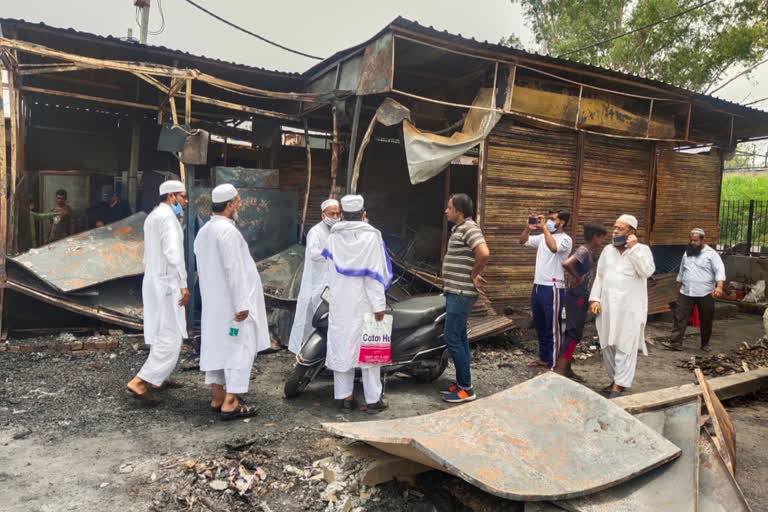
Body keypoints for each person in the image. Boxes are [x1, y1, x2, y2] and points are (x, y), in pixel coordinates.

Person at [194, 184, 271, 420]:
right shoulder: (228, 233)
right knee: (240, 348)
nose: (239, 205)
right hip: (233, 307)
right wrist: (241, 305)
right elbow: (234, 271)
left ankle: (218, 396)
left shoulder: (205, 231)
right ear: (229, 205)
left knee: (217, 348)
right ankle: (231, 401)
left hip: (214, 305)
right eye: (237, 201)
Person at [322, 194, 391, 413]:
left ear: (342, 215)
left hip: (340, 303)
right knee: (371, 350)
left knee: (342, 348)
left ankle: (345, 398)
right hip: (366, 304)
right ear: (363, 215)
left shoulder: (333, 237)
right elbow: (374, 275)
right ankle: (373, 400)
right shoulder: (372, 238)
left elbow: (329, 271)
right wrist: (379, 305)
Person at [125, 180, 189, 405]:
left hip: (153, 280)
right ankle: (141, 381)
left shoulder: (153, 216)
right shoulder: (168, 219)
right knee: (171, 336)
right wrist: (182, 283)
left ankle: (159, 378)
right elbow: (173, 255)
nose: (185, 201)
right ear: (171, 197)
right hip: (167, 283)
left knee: (160, 329)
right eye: (182, 196)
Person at [589, 214, 656, 398]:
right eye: (615, 227)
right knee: (607, 345)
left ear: (632, 232)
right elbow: (600, 276)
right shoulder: (607, 251)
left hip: (630, 310)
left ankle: (618, 386)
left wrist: (634, 249)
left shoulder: (642, 250)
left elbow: (647, 271)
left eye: (620, 228)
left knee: (625, 346)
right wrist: (595, 298)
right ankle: (617, 379)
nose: (615, 231)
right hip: (608, 309)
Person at [439, 193, 490, 404]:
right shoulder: (459, 228)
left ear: (459, 212)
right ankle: (462, 384)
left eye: (449, 207)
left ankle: (466, 389)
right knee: (459, 338)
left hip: (461, 293)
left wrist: (474, 274)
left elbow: (484, 253)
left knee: (451, 338)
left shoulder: (470, 228)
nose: (446, 211)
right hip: (455, 291)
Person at [519, 209, 573, 369]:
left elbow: (554, 248)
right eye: (547, 219)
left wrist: (543, 228)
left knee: (552, 328)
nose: (548, 222)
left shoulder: (565, 239)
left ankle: (554, 366)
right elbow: (522, 241)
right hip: (538, 286)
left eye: (552, 219)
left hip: (553, 287)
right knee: (540, 324)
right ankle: (544, 358)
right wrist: (528, 228)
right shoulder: (543, 236)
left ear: (561, 222)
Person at [288, 199, 342, 354]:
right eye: (332, 213)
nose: (335, 216)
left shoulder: (339, 231)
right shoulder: (315, 231)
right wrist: (330, 253)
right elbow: (313, 253)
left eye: (338, 213)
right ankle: (305, 350)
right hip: (316, 282)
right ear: (323, 214)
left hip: (333, 281)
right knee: (312, 317)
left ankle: (324, 352)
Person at [555, 221, 607, 378]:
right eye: (602, 238)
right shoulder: (584, 250)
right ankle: (561, 371)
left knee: (573, 333)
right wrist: (578, 278)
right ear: (595, 237)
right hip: (576, 296)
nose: (603, 242)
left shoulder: (589, 252)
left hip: (579, 296)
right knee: (573, 334)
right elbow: (566, 263)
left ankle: (567, 369)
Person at [662, 228, 725, 353]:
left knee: (706, 318)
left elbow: (720, 270)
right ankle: (675, 343)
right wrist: (678, 284)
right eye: (691, 240)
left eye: (695, 240)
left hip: (706, 292)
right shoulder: (688, 253)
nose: (692, 243)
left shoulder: (711, 254)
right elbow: (682, 269)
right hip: (686, 291)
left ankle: (705, 344)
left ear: (703, 240)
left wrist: (719, 287)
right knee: (679, 316)